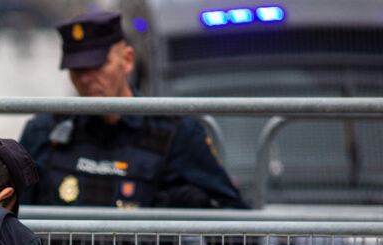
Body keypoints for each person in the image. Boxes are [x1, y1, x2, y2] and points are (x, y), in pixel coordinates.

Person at [19, 10, 248, 209]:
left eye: (96, 65)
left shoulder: (174, 132)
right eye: (77, 69)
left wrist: (192, 206)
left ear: (127, 61)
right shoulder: (44, 132)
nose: (86, 78)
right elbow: (13, 224)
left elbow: (239, 236)